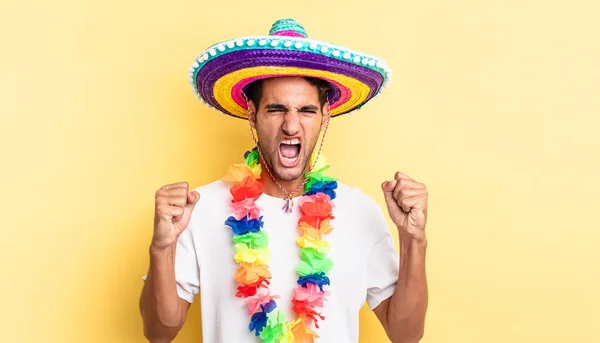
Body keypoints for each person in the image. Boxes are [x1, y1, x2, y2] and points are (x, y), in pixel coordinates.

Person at [139, 19, 428, 343]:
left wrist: (413, 239)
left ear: (325, 115)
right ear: (252, 114)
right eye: (276, 109)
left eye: (306, 110)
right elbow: (158, 332)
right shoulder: (200, 209)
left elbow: (406, 335)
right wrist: (162, 247)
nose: (291, 126)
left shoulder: (360, 211)